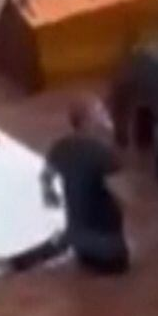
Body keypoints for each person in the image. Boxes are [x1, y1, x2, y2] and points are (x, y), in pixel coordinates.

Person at [21, 95, 131, 275]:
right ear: (90, 120)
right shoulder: (102, 152)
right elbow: (124, 197)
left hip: (75, 239)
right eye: (101, 112)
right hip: (106, 247)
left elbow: (47, 189)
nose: (106, 115)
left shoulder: (58, 148)